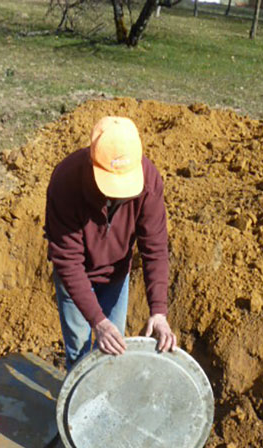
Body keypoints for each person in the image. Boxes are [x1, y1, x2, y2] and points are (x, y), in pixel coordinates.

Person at [45, 115, 177, 370]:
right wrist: (98, 322)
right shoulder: (66, 182)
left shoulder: (148, 182)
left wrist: (159, 311)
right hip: (76, 275)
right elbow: (68, 260)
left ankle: (104, 406)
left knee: (112, 353)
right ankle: (77, 405)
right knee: (80, 354)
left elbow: (155, 249)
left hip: (116, 275)